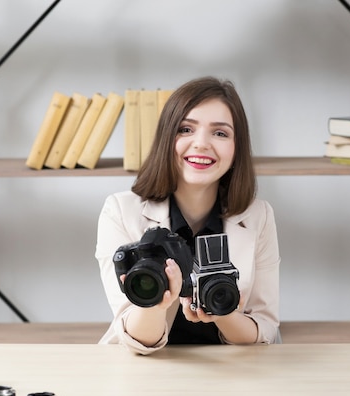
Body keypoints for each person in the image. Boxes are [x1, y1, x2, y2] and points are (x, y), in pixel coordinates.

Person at [96, 76, 280, 355]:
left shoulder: (258, 216)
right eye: (185, 129)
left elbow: (265, 329)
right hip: (146, 370)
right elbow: (132, 337)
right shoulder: (121, 211)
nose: (201, 144)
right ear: (166, 138)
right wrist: (157, 304)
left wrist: (222, 311)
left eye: (220, 133)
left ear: (237, 147)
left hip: (237, 370)